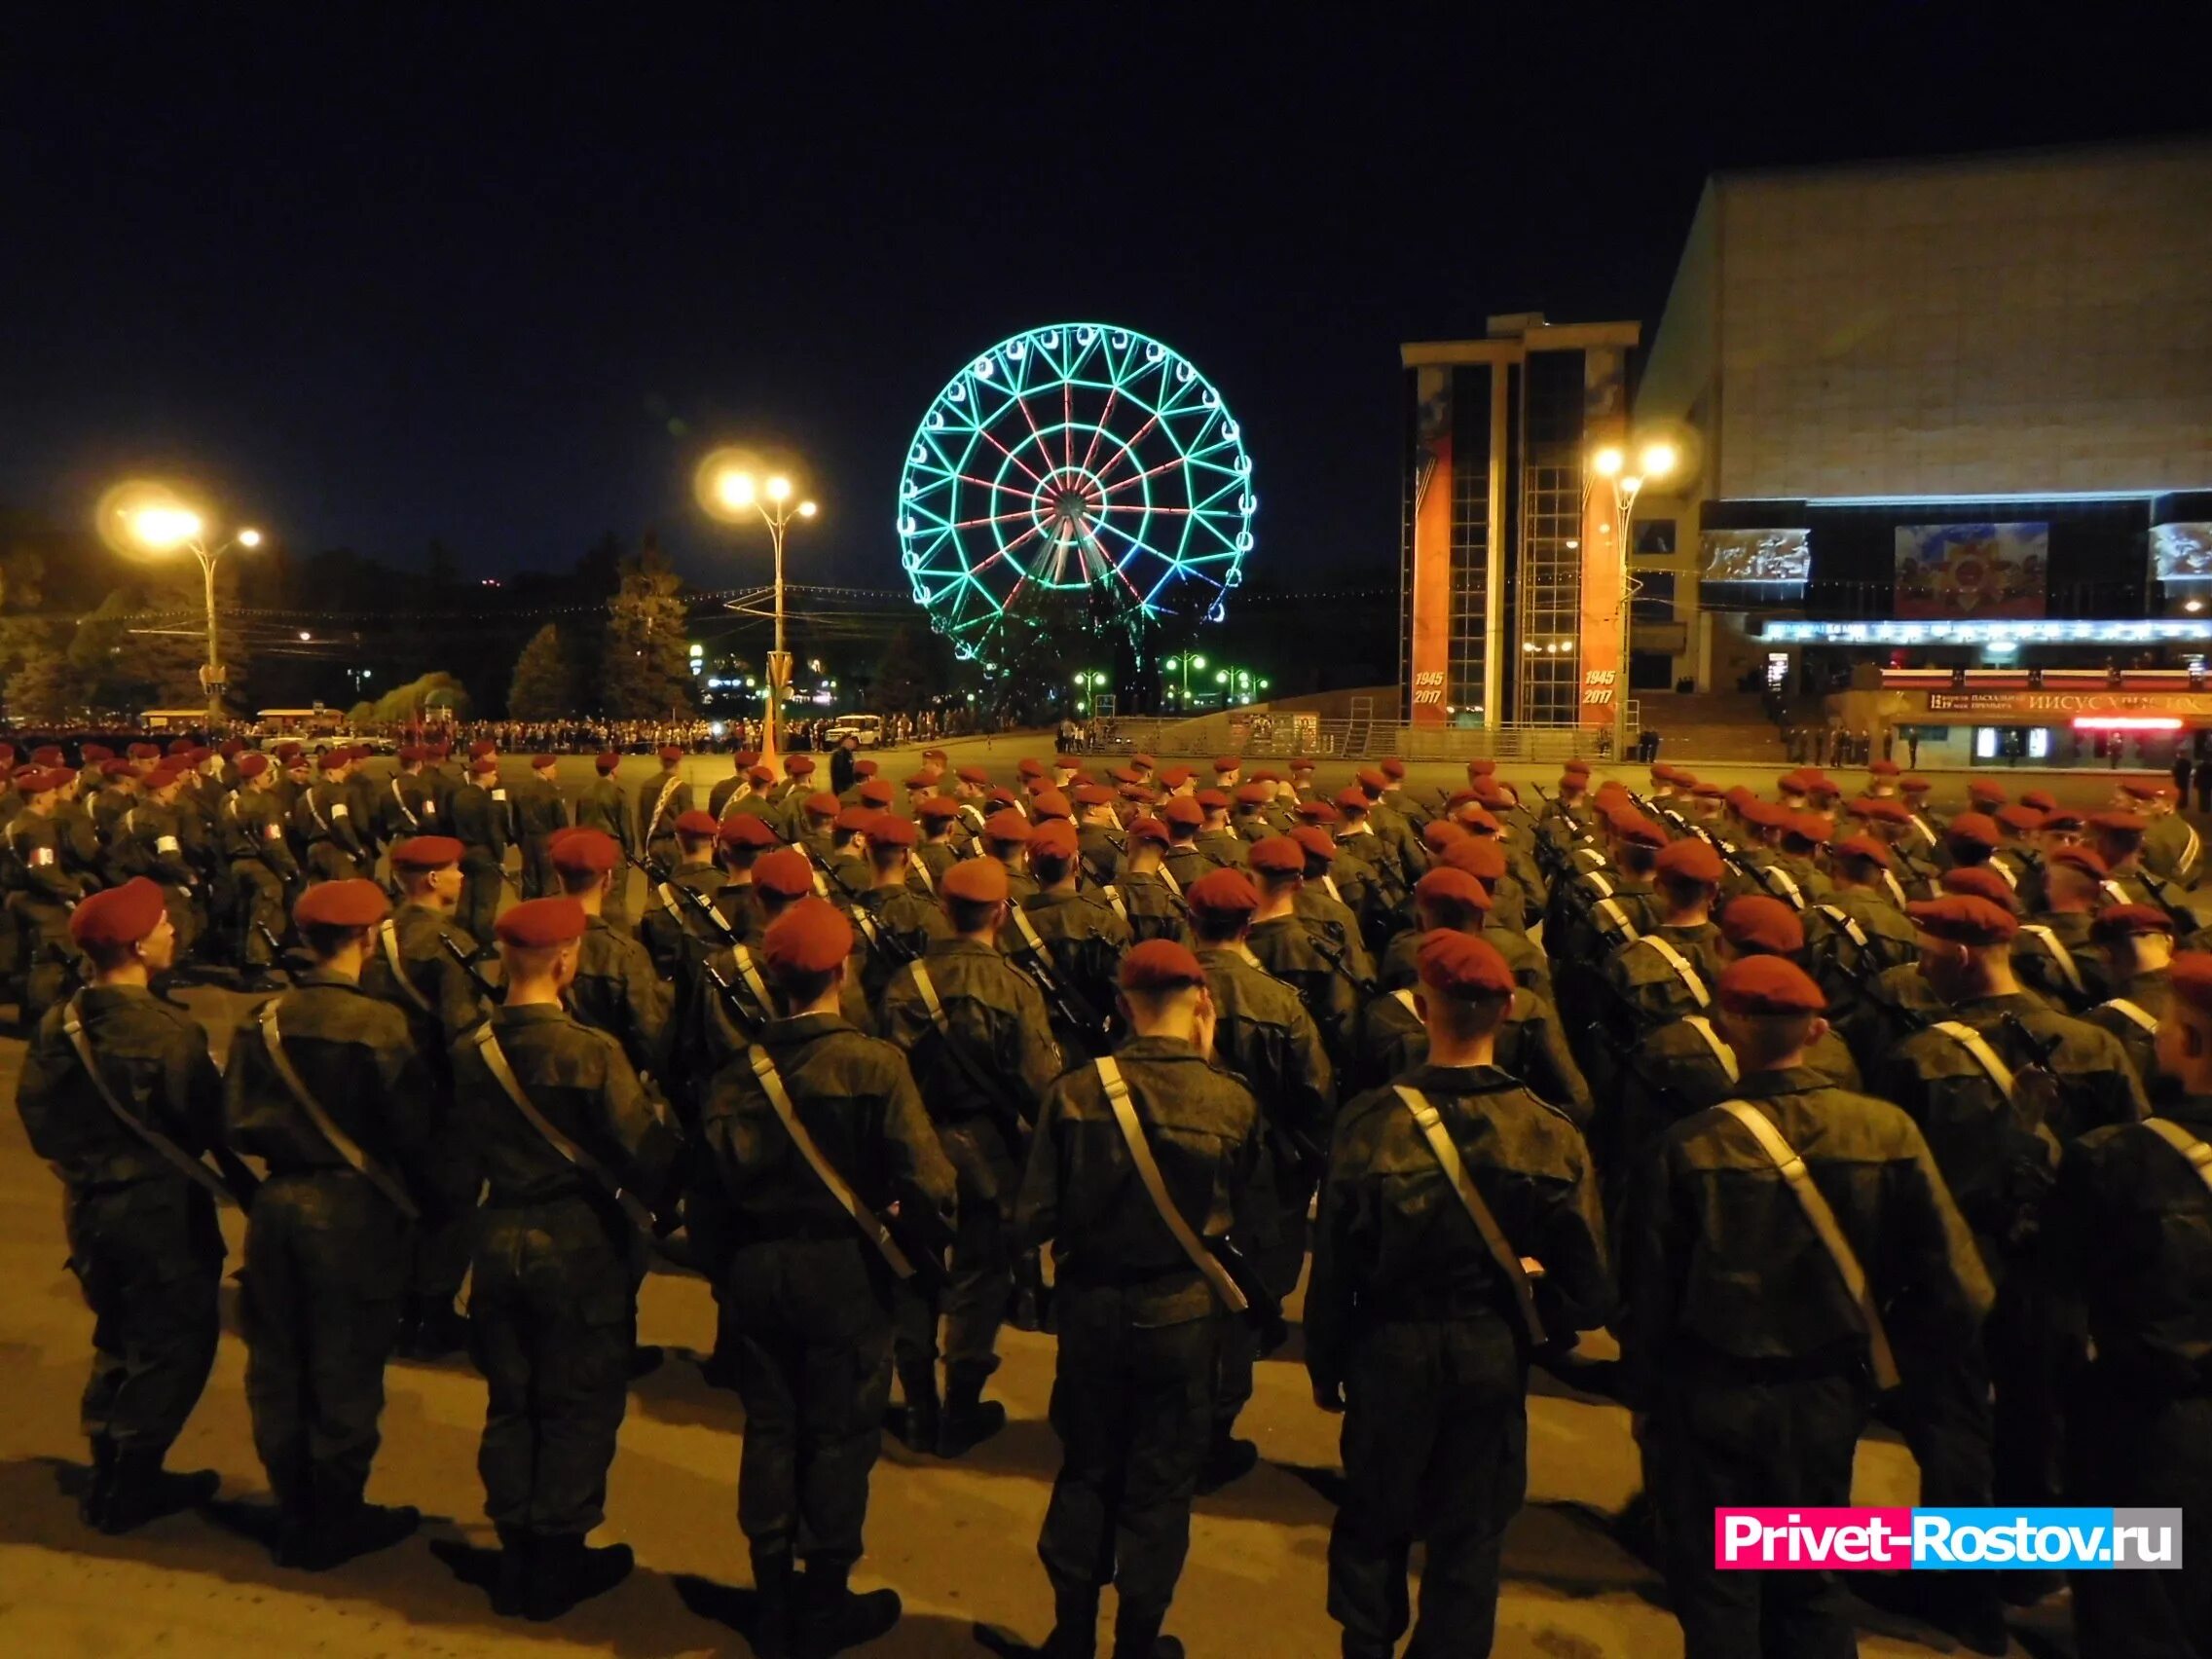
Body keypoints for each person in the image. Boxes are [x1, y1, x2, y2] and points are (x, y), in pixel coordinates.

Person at [1620, 955, 1992, 1659]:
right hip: (1827, 1389)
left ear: (1729, 1028)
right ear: (1819, 1030)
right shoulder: (1888, 1132)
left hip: (1711, 1391)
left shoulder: (1687, 1147)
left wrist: (1643, 1397)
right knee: (1808, 1579)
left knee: (1721, 1589)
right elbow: (1958, 1283)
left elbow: (1649, 1294)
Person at [1309, 929, 1610, 1659]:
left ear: (1422, 1005)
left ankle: (1367, 1646)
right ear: (1508, 1011)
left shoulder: (1369, 1123)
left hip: (1389, 1346)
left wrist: (1326, 1364)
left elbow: (1336, 1269)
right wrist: (1533, 1320)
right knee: (1470, 1537)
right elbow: (1592, 1289)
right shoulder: (1547, 1133)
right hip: (1488, 1348)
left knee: (1375, 1518)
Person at [700, 897, 957, 1659]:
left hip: (757, 1268)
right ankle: (825, 1599)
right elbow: (931, 1184)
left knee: (772, 1428)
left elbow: (705, 1202)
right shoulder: (873, 1065)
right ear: (843, 971)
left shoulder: (733, 1076)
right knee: (840, 1437)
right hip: (844, 1271)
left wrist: (729, 1275)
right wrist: (922, 1257)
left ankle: (771, 1594)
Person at [1015, 939, 1263, 1659]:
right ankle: (1138, 1641)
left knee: (1088, 1466)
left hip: (1092, 1311)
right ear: (1201, 1008)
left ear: (1124, 1005)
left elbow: (1032, 1215)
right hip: (1183, 1316)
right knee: (1159, 1487)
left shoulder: (1076, 1093)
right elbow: (1250, 1212)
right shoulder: (1230, 1100)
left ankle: (1070, 1634)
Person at [447, 896, 681, 1620]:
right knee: (577, 1400)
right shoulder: (590, 1051)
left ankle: (515, 1543)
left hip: (498, 1235)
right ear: (567, 961)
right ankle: (557, 1557)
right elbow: (646, 1153)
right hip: (576, 1243)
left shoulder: (468, 1048)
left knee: (511, 1396)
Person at [223, 879, 437, 1568]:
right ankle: (335, 1516)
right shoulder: (380, 1026)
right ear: (370, 940)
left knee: (280, 1364)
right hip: (351, 1211)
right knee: (344, 1365)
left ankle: (293, 1504)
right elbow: (415, 1130)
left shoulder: (262, 1021)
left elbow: (232, 1120)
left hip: (277, 1205)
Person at [14, 878, 227, 1532]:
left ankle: (109, 1459)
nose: (173, 933)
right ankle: (133, 1482)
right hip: (158, 1214)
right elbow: (206, 1123)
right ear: (138, 945)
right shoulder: (167, 1032)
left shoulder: (64, 1021)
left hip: (90, 1208)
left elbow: (40, 1118)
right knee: (174, 1345)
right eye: (164, 926)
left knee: (118, 1335)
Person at [2053, 948, 2212, 1657]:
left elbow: (2057, 1277)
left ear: (2195, 1042)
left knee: (2140, 1607)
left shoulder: (2115, 1158)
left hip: (2151, 1423)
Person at [879, 856, 1064, 1456]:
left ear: (943, 906)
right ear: (1002, 913)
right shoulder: (1015, 987)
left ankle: (917, 1409)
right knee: (981, 1280)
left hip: (914, 1143)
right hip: (988, 1154)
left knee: (912, 1275)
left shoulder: (908, 983)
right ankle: (960, 1405)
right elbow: (1040, 1087)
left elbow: (889, 1073)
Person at [1184, 866, 1334, 1491]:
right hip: (1260, 1183)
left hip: (1177, 1172)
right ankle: (1214, 1435)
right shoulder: (1279, 1004)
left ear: (1191, 921)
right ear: (1249, 926)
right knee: (1242, 1308)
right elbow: (1316, 1099)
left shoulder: (1163, 988)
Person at [358, 834, 489, 1359]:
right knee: (449, 1205)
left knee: (396, 1200)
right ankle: (431, 1316)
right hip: (436, 1095)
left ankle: (394, 1309)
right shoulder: (448, 945)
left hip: (382, 1090)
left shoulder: (373, 935)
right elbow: (462, 1033)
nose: (461, 878)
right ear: (433, 880)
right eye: (455, 871)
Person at [449, 754, 511, 945]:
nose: (495, 777)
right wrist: (500, 857)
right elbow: (494, 831)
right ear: (483, 776)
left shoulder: (460, 796)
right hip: (484, 852)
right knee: (486, 898)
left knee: (467, 894)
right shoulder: (486, 800)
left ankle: (462, 933)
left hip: (464, 850)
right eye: (493, 774)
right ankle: (483, 940)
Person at [572, 753, 635, 928]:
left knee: (590, 893)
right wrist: (629, 853)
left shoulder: (585, 793)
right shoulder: (617, 793)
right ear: (614, 770)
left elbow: (579, 823)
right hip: (611, 846)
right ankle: (615, 933)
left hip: (588, 846)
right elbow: (625, 827)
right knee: (615, 896)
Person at [509, 755, 571, 900]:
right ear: (543, 769)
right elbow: (561, 822)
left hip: (528, 842)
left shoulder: (520, 791)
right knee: (549, 886)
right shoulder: (553, 791)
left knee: (530, 886)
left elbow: (515, 823)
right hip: (548, 842)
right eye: (553, 768)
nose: (556, 771)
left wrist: (522, 843)